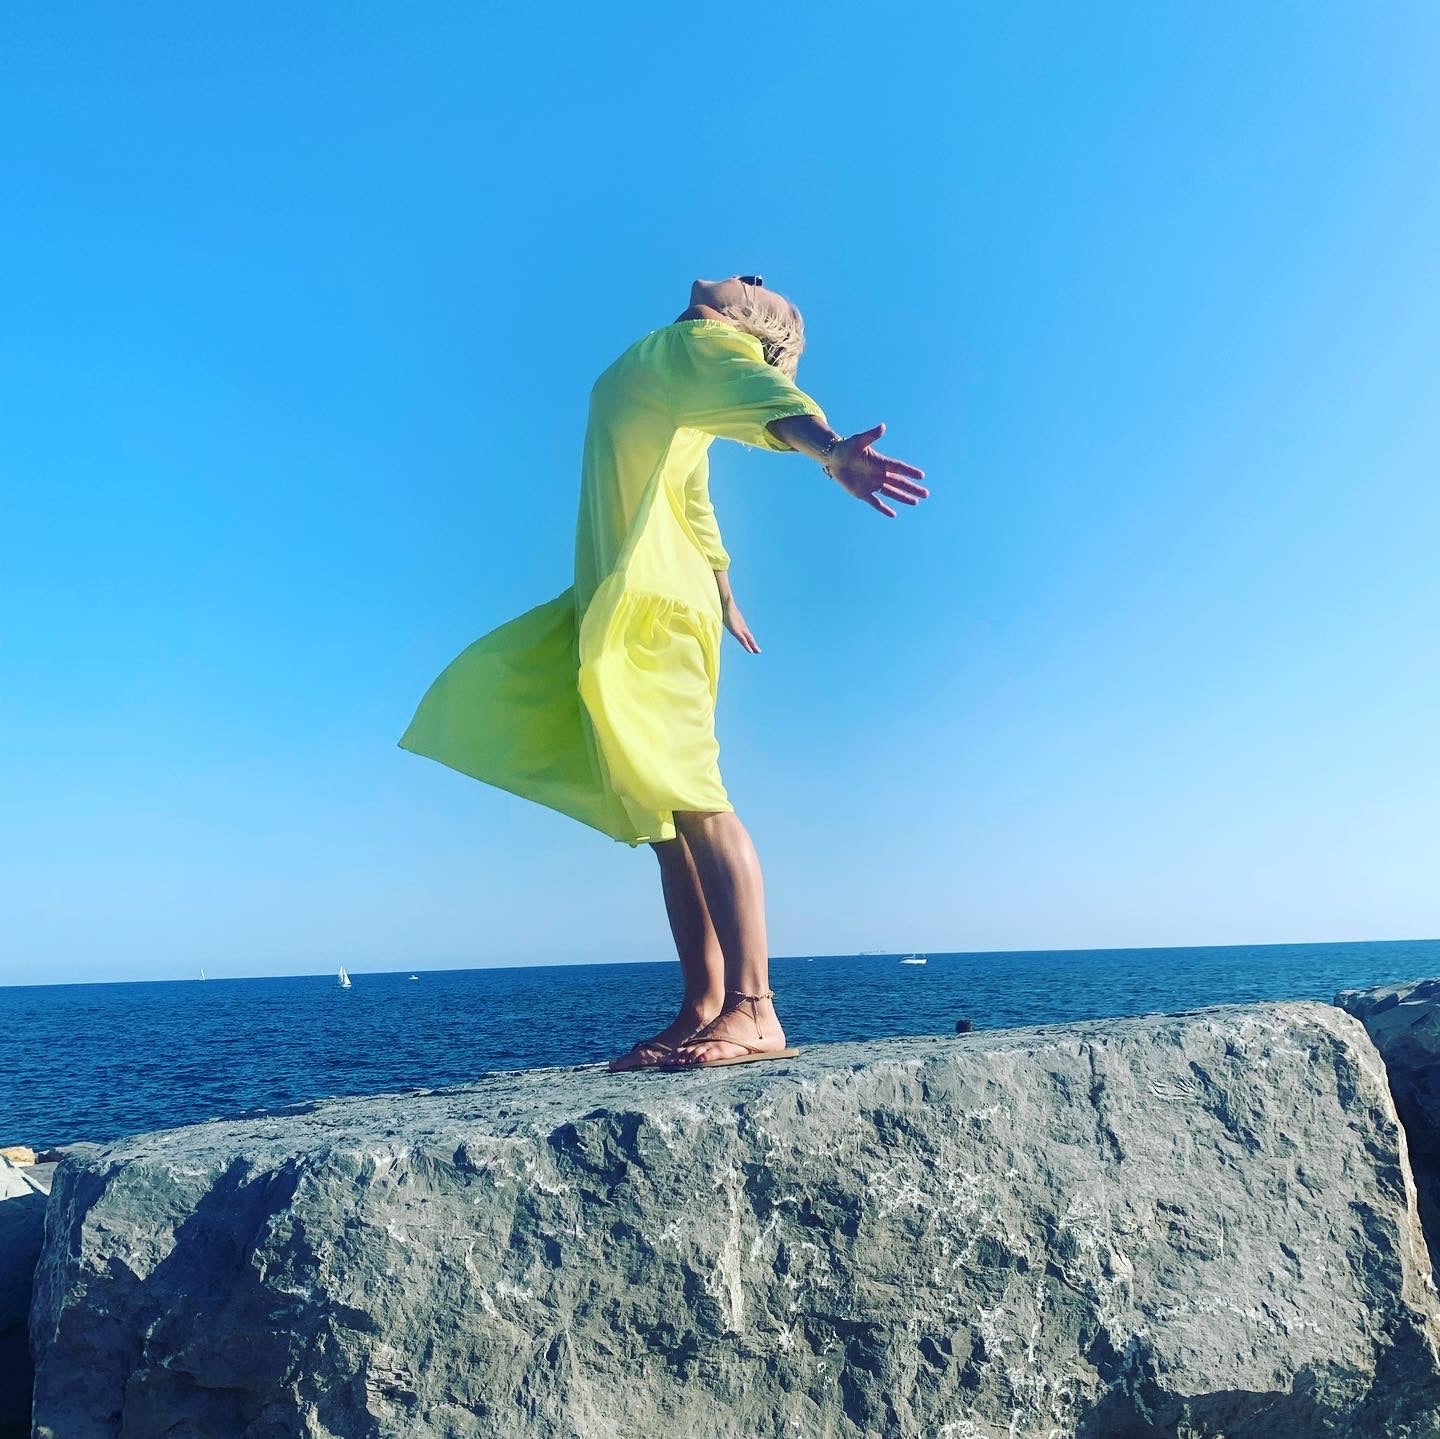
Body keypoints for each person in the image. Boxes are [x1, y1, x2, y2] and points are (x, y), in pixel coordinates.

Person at [399, 275, 928, 1070]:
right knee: (667, 821)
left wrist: (828, 455)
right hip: (630, 593)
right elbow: (690, 490)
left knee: (695, 797)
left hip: (651, 604)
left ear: (753, 321)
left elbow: (770, 401)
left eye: (762, 286)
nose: (749, 273)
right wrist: (724, 587)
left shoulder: (707, 345)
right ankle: (704, 1003)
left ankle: (755, 1007)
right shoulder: (674, 361)